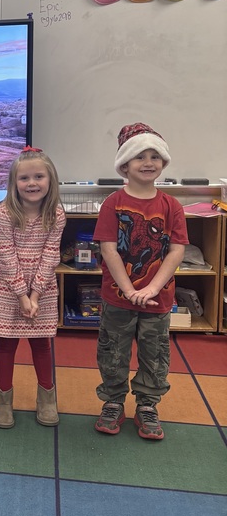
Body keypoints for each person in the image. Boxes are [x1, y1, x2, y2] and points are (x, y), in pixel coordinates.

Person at [93, 123, 187, 440]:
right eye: (140, 157)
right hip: (118, 298)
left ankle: (147, 405)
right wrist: (130, 289)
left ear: (163, 163)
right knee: (113, 352)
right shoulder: (113, 203)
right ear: (125, 165)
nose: (148, 163)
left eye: (154, 156)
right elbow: (108, 249)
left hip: (156, 300)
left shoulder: (172, 206)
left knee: (155, 354)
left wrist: (151, 289)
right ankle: (114, 402)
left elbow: (175, 251)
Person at [0, 147, 66, 428]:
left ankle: (47, 399)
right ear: (13, 183)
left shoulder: (56, 213)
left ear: (50, 180)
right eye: (24, 178)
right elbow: (5, 254)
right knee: (6, 344)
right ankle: (3, 399)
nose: (32, 183)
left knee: (42, 343)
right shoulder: (4, 212)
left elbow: (51, 254)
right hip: (7, 286)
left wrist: (35, 294)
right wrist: (21, 294)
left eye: (39, 176)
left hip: (40, 286)